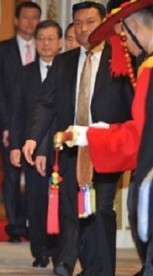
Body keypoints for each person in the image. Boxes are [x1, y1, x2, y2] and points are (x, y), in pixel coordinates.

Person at [22, 2, 133, 275]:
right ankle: (88, 267)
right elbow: (45, 103)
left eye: (91, 22)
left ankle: (103, 270)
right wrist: (33, 138)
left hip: (107, 147)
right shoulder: (64, 61)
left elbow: (133, 103)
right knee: (76, 211)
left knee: (102, 209)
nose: (84, 28)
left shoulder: (121, 58)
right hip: (72, 149)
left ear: (104, 23)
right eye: (79, 23)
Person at [62, 0, 153, 274]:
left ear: (133, 27)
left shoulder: (148, 68)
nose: (120, 45)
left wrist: (91, 137)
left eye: (120, 35)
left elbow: (140, 134)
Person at [9, 19, 62, 268]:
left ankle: (60, 250)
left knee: (61, 202)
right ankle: (40, 250)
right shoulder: (24, 72)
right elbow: (17, 112)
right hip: (32, 147)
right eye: (41, 38)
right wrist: (16, 146)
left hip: (62, 147)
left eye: (51, 38)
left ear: (60, 42)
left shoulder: (67, 69)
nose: (46, 43)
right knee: (36, 200)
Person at [0, 1, 41, 242]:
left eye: (35, 18)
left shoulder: (45, 48)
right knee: (11, 175)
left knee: (35, 175)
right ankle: (14, 226)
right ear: (16, 20)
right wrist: (6, 126)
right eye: (26, 17)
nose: (30, 22)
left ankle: (34, 224)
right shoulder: (2, 50)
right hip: (9, 123)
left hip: (39, 124)